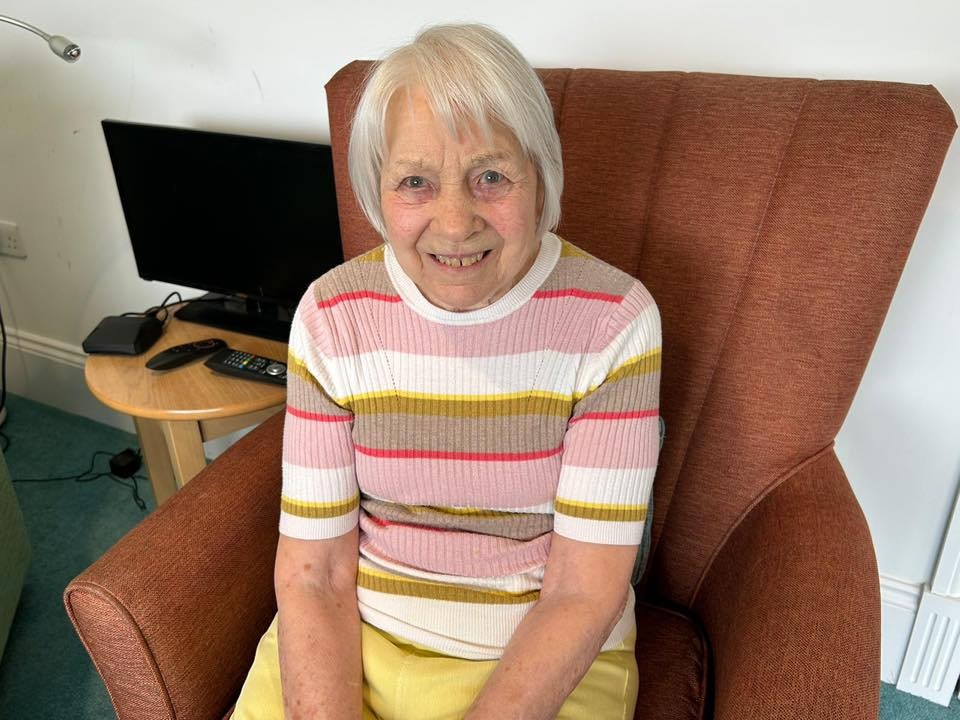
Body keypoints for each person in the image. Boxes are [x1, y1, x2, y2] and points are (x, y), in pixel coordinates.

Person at [234, 23, 661, 720]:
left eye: (491, 176)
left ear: (540, 175)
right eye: (416, 182)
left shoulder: (614, 319)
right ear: (376, 191)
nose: (456, 223)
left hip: (538, 657)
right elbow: (315, 574)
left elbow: (583, 591)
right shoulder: (332, 314)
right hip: (355, 638)